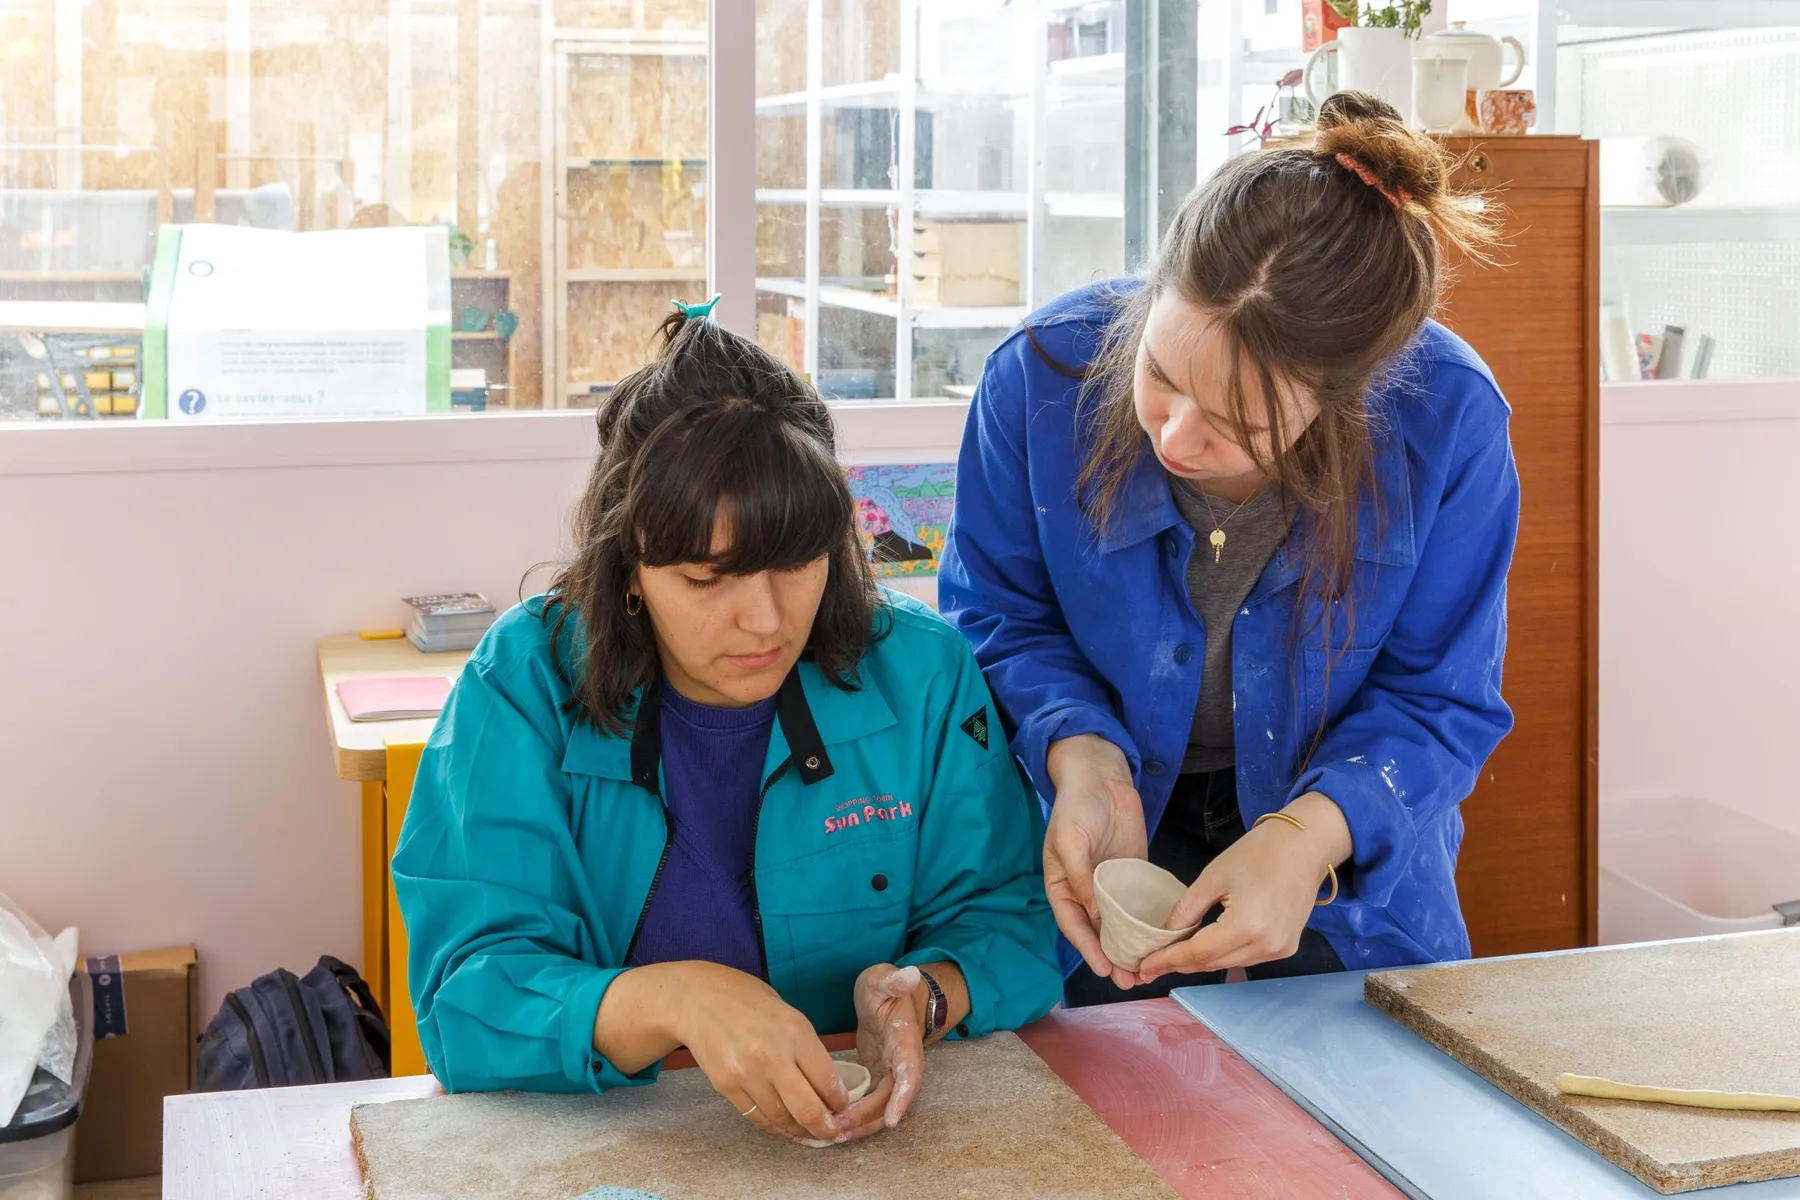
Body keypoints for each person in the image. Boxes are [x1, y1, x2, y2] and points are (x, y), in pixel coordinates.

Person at [392, 300, 1061, 1144]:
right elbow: (465, 999)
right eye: (708, 580)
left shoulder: (923, 672)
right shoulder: (521, 684)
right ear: (629, 566)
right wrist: (675, 1000)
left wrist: (925, 993)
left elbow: (1012, 916)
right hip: (609, 1150)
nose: (765, 622)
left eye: (797, 564)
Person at [938, 93, 1521, 1006]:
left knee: (1339, 1119)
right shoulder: (1037, 376)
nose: (1174, 438)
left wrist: (1305, 839)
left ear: (1346, 402)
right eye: (1161, 376)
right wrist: (1078, 753)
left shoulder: (1449, 420)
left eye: (1238, 424)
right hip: (1109, 824)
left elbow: (1438, 699)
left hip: (1339, 855)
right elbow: (998, 617)